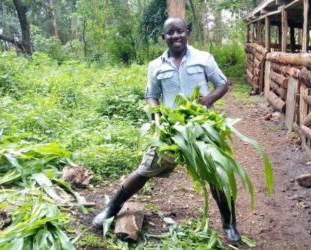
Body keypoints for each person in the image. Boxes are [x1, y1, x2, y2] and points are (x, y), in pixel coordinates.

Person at [92, 16, 240, 243]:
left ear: (187, 32)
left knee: (216, 176)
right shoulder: (155, 66)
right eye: (170, 33)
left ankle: (229, 224)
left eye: (179, 31)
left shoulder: (204, 58)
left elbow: (222, 84)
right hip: (171, 130)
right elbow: (151, 96)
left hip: (202, 128)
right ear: (164, 37)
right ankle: (111, 209)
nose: (175, 36)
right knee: (144, 170)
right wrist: (156, 116)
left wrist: (207, 99)